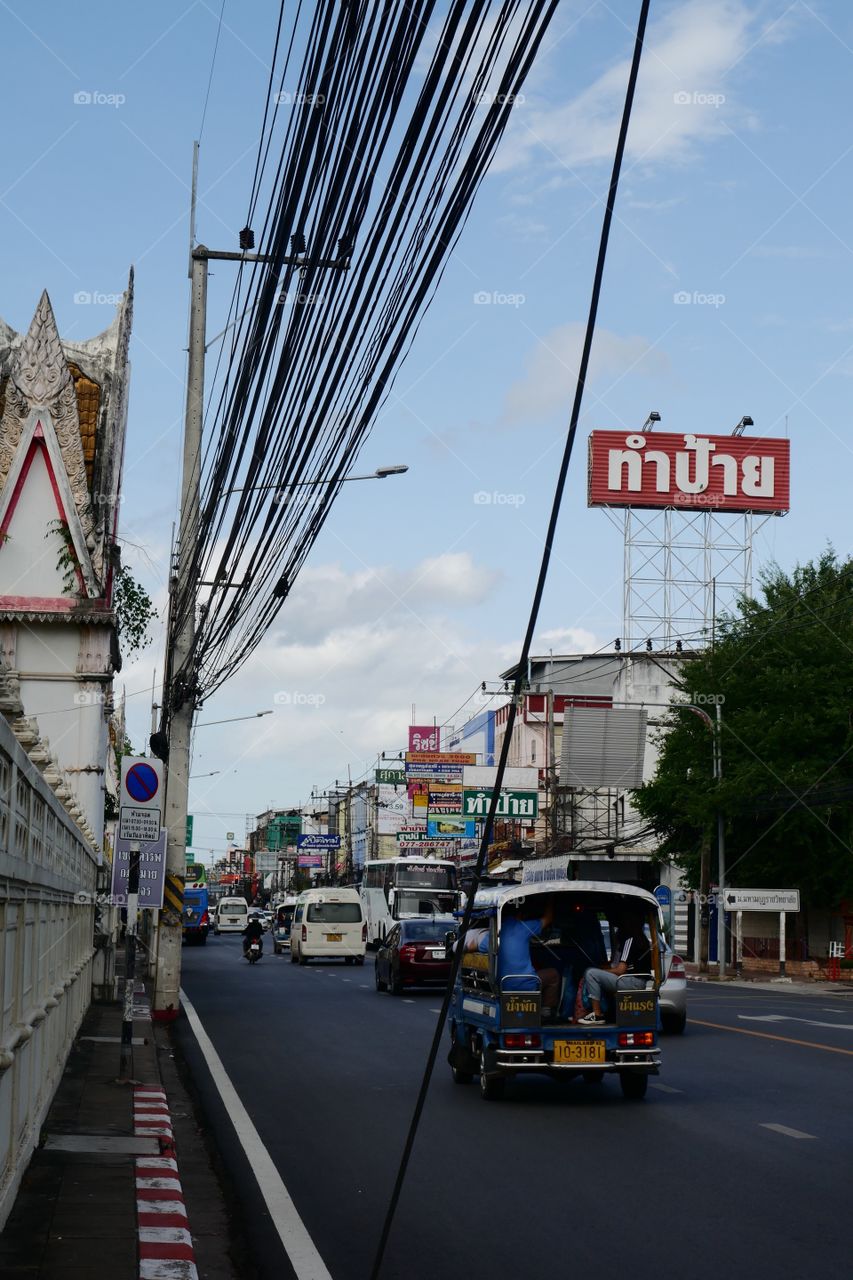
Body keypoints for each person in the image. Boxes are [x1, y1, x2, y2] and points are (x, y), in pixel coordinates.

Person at [578, 913, 652, 1025]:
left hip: (631, 982)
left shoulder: (630, 940)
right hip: (637, 981)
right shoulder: (643, 940)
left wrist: (600, 972)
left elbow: (620, 970)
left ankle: (597, 1015)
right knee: (595, 973)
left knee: (591, 973)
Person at [497, 899, 561, 1014]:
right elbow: (548, 919)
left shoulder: (494, 932)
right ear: (520, 915)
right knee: (553, 975)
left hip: (503, 985)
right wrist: (551, 899)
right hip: (527, 984)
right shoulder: (523, 927)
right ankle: (546, 1012)